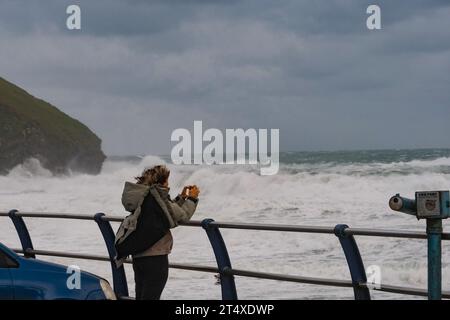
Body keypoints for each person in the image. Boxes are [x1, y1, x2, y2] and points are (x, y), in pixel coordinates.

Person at [122, 165, 199, 300]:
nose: (168, 184)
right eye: (167, 181)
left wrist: (181, 197)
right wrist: (192, 199)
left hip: (139, 255)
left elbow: (166, 211)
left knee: (141, 295)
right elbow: (182, 215)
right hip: (155, 258)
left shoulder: (145, 197)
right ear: (161, 182)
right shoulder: (155, 200)